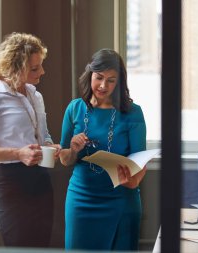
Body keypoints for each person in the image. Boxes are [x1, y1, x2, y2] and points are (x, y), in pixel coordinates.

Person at [0, 32, 61, 247]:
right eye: (35, 68)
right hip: (10, 184)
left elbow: (42, 135)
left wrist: (50, 146)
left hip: (40, 179)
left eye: (41, 65)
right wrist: (18, 153)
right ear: (15, 67)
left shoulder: (35, 95)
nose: (42, 72)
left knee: (41, 245)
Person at [59, 48, 147, 250]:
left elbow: (139, 160)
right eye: (98, 78)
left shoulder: (133, 113)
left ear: (120, 82)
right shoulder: (75, 108)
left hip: (121, 200)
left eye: (111, 80)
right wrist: (73, 149)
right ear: (90, 74)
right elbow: (64, 158)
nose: (102, 85)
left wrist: (134, 181)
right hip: (81, 198)